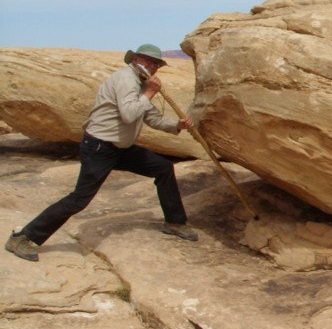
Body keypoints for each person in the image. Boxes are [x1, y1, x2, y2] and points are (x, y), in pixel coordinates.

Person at [6, 44, 199, 262]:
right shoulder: (126, 80)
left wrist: (177, 125)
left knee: (163, 168)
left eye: (156, 64)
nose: (153, 67)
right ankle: (22, 238)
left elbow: (150, 117)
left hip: (121, 148)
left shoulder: (140, 83)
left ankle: (175, 222)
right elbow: (129, 114)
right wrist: (149, 93)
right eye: (149, 61)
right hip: (100, 147)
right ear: (135, 59)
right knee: (79, 199)